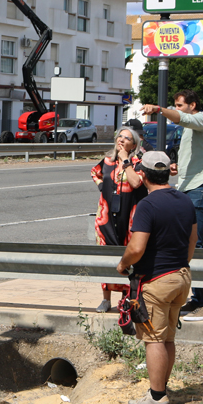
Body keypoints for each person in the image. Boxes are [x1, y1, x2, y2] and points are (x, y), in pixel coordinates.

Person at [117, 151, 198, 404]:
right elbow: (193, 240)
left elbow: (137, 247)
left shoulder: (147, 205)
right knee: (168, 337)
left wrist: (123, 263)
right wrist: (179, 264)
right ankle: (161, 387)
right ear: (167, 172)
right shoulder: (185, 201)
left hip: (157, 281)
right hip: (182, 277)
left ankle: (157, 396)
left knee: (153, 339)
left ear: (143, 173)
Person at [141, 89, 203, 321]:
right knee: (188, 239)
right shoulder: (190, 130)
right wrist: (177, 168)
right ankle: (198, 297)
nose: (176, 109)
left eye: (179, 105)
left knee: (195, 241)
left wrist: (158, 109)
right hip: (189, 187)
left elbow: (181, 118)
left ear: (192, 105)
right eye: (174, 105)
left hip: (202, 186)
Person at [90, 127, 147, 313]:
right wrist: (103, 188)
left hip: (129, 216)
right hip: (106, 217)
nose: (121, 139)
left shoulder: (138, 163)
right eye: (119, 136)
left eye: (127, 138)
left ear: (134, 144)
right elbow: (95, 173)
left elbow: (136, 183)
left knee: (127, 256)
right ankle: (106, 299)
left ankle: (125, 300)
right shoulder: (107, 161)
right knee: (106, 255)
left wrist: (125, 160)